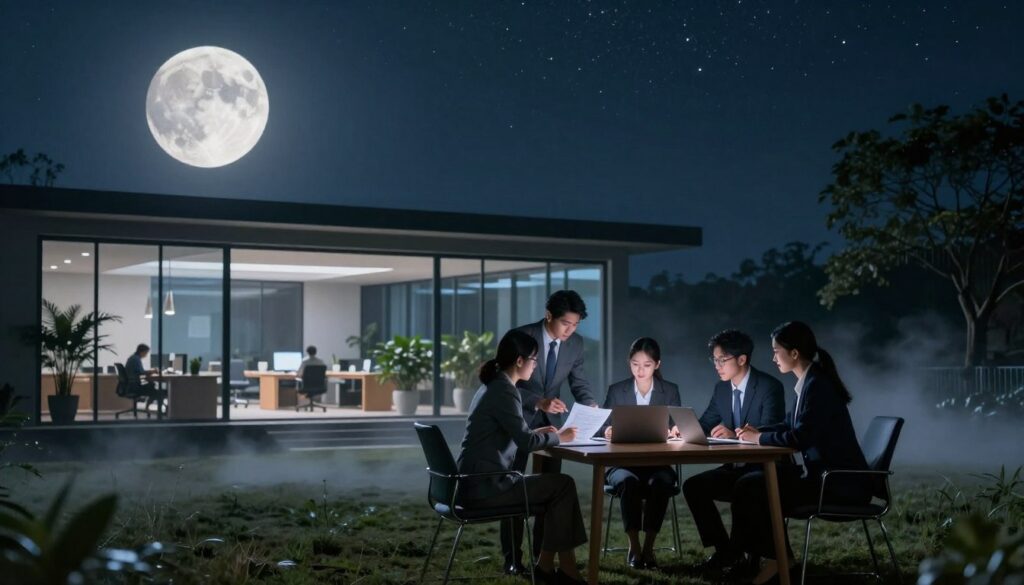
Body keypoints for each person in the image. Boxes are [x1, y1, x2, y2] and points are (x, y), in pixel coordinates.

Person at [733, 321, 871, 585]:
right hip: (824, 479)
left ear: (794, 353)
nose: (773, 357)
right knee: (751, 484)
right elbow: (791, 425)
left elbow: (800, 437)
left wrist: (758, 438)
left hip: (837, 484)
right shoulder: (809, 382)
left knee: (752, 487)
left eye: (776, 351)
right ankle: (768, 559)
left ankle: (776, 561)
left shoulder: (817, 386)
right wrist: (756, 431)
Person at [456, 329, 588, 584]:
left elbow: (511, 433)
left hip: (474, 482)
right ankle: (559, 567)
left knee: (558, 489)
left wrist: (536, 431)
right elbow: (526, 443)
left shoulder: (493, 386)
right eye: (534, 359)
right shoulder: (505, 391)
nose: (535, 365)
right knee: (562, 486)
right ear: (520, 360)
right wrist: (562, 437)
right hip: (487, 486)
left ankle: (550, 565)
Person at [503, 289, 598, 574]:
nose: (570, 330)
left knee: (549, 489)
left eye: (576, 324)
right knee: (514, 489)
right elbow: (508, 383)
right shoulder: (521, 337)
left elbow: (578, 383)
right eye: (565, 323)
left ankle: (541, 555)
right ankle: (512, 559)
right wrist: (539, 401)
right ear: (548, 316)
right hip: (517, 420)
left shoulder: (576, 344)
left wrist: (590, 405)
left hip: (552, 427)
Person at [682, 330, 785, 574]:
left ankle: (742, 556)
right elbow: (707, 422)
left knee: (745, 488)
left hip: (766, 468)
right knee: (694, 486)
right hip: (736, 468)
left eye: (722, 360)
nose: (717, 365)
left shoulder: (769, 387)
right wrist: (683, 428)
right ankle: (725, 551)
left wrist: (734, 435)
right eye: (714, 360)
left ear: (742, 359)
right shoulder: (722, 389)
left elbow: (771, 430)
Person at [600, 337, 680, 570]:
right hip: (621, 464)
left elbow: (678, 423)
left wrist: (675, 429)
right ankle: (634, 546)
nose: (640, 370)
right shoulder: (617, 390)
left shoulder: (670, 391)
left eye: (646, 365)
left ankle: (649, 546)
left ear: (657, 364)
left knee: (662, 482)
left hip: (657, 464)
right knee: (628, 482)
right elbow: (600, 424)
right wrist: (607, 429)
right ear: (629, 363)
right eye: (635, 364)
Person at [124, 343, 166, 414]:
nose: (146, 354)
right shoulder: (136, 359)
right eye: (146, 352)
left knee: (152, 386)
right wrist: (152, 371)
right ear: (142, 352)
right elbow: (141, 372)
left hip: (131, 385)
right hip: (135, 387)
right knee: (156, 391)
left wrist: (149, 372)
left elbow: (139, 372)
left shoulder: (133, 358)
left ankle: (148, 408)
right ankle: (153, 409)